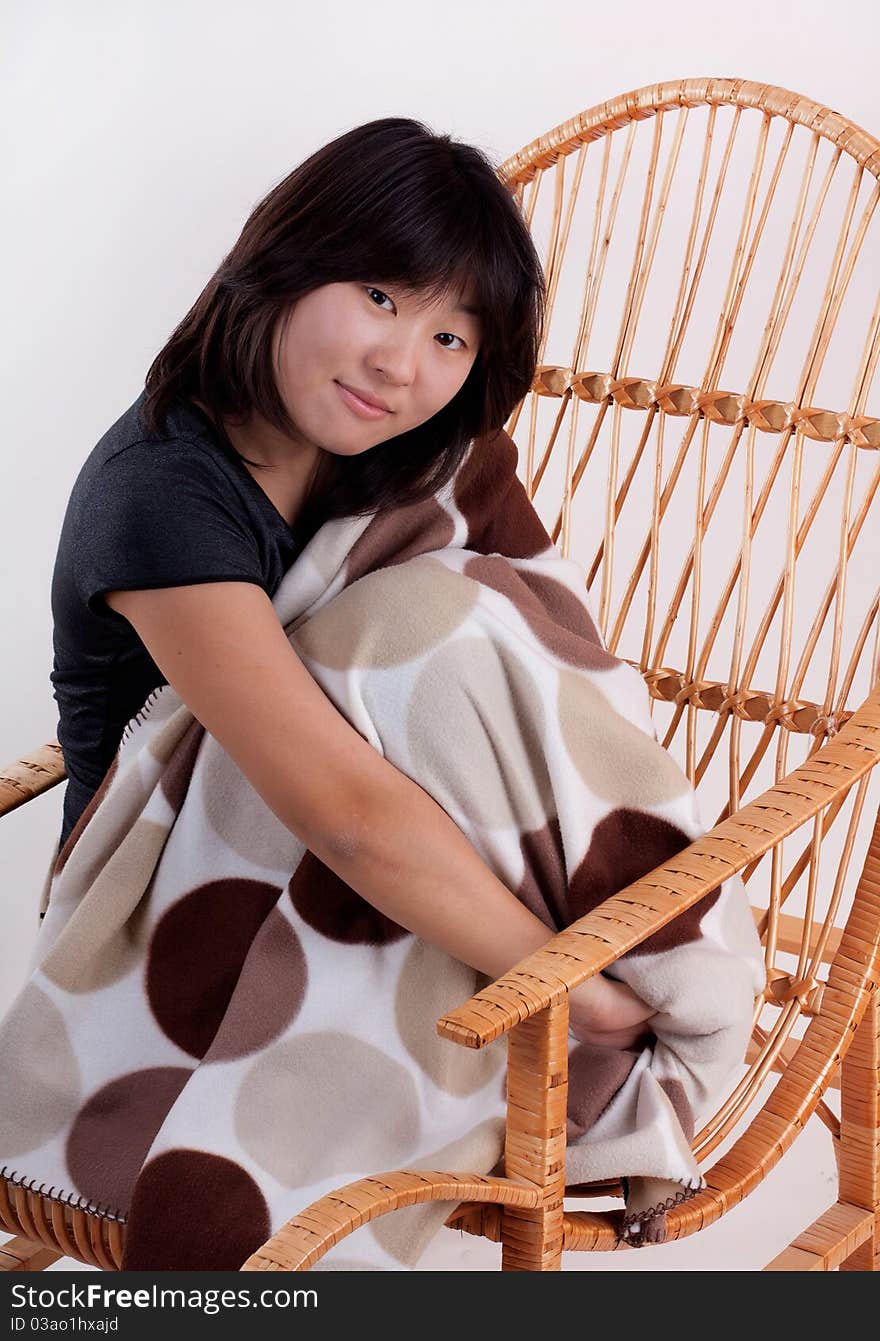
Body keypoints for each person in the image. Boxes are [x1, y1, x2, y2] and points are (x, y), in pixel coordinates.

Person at [48, 116, 667, 1236]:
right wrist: (576, 991)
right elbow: (347, 817)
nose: (401, 362)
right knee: (408, 617)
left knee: (458, 623)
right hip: (175, 929)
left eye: (452, 337)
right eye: (380, 296)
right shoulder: (164, 490)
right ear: (280, 263)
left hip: (396, 873)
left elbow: (548, 665)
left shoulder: (412, 460)